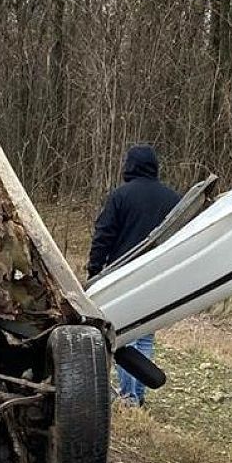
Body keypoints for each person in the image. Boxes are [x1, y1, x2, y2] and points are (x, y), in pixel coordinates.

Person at [88, 144, 180, 405]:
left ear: (130, 165)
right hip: (158, 276)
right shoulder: (174, 200)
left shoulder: (121, 196)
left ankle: (130, 395)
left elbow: (103, 234)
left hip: (124, 276)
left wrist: (94, 269)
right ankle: (136, 395)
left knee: (122, 336)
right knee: (146, 336)